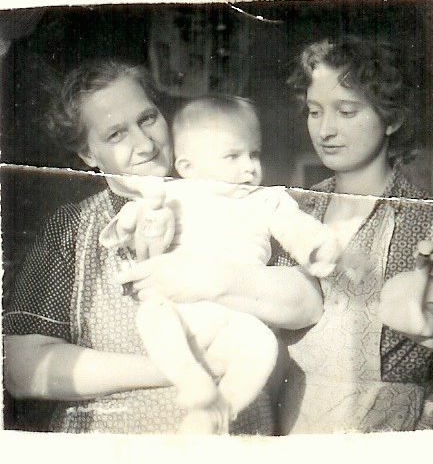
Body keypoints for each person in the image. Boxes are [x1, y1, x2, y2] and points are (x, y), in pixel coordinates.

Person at [3, 60, 324, 435]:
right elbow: (22, 368)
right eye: (116, 134)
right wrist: (183, 368)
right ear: (88, 154)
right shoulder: (72, 227)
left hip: (233, 443)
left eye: (148, 119)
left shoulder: (238, 195)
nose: (145, 144)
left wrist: (208, 279)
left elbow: (308, 304)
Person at [101, 95, 351, 434]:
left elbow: (296, 228)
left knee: (260, 346)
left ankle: (218, 411)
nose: (249, 167)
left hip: (237, 315)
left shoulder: (268, 199)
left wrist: (317, 247)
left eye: (254, 154)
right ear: (188, 167)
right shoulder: (174, 195)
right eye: (233, 156)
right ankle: (191, 381)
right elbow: (143, 218)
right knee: (153, 314)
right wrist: (130, 221)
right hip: (181, 309)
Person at [271, 36, 433, 433]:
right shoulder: (293, 210)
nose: (325, 130)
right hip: (290, 426)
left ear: (392, 119)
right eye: (314, 112)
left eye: (346, 111)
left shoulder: (424, 220)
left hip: (384, 434)